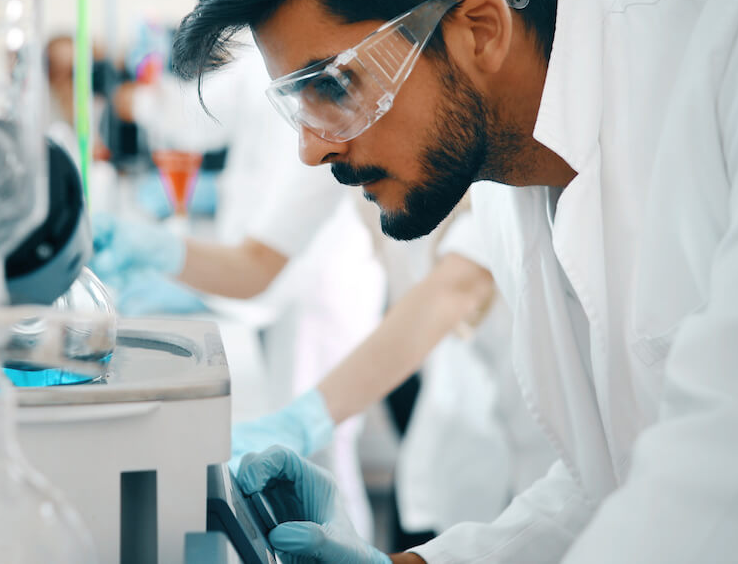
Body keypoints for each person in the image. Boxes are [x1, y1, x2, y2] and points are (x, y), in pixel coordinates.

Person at [168, 0, 738, 563]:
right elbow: (608, 481)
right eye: (298, 102)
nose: (311, 148)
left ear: (480, 31)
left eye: (335, 83)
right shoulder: (509, 179)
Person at [93, 46, 387, 536]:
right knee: (307, 460)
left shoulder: (326, 81)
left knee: (325, 463)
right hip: (280, 286)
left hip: (318, 289)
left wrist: (162, 252)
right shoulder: (263, 55)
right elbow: (199, 116)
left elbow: (258, 265)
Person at [232, 204, 557, 552]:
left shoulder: (502, 203)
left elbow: (455, 289)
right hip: (452, 410)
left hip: (527, 446)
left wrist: (304, 420)